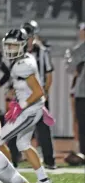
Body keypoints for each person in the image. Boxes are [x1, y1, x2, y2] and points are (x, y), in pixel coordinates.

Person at [0, 28, 55, 183]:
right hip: (31, 108)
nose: (10, 49)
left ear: (23, 46)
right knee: (23, 144)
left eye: (14, 46)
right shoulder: (25, 59)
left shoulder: (22, 65)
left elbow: (38, 92)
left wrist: (21, 106)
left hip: (29, 110)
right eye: (8, 45)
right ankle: (44, 180)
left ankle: (8, 177)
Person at [21, 20, 57, 170]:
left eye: (30, 37)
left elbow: (48, 75)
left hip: (37, 95)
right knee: (16, 127)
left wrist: (45, 91)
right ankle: (14, 159)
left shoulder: (42, 52)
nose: (28, 40)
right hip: (22, 94)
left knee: (43, 129)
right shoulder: (18, 52)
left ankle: (49, 160)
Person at [66, 23, 85, 159]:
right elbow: (71, 69)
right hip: (81, 92)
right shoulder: (78, 49)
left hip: (82, 92)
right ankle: (83, 152)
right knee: (81, 123)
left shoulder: (79, 49)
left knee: (82, 123)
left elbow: (71, 68)